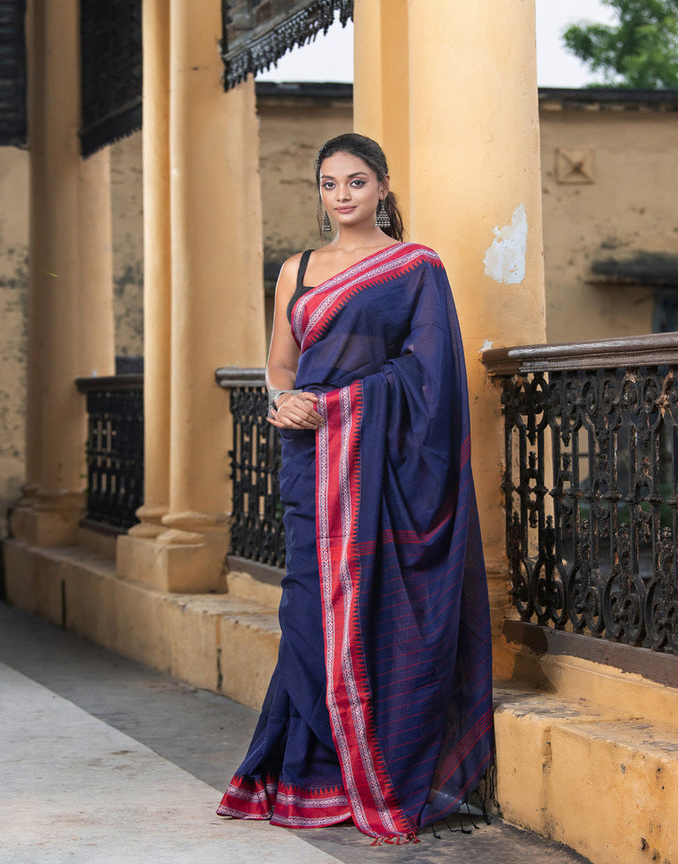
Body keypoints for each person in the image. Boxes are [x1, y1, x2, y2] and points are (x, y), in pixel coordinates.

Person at [217, 133, 494, 843]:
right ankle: (307, 772)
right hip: (310, 460)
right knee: (307, 611)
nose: (342, 195)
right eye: (330, 183)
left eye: (357, 182)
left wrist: (343, 405)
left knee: (373, 605)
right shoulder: (297, 269)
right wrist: (282, 401)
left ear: (383, 187)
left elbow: (430, 374)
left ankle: (374, 771)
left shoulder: (415, 267)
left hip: (379, 465)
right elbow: (281, 365)